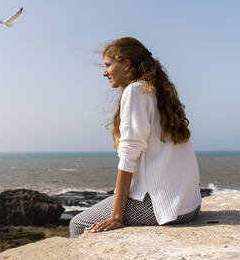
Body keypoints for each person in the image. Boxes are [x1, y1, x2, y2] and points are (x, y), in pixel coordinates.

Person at [69, 37, 201, 238]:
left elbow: (128, 156)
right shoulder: (157, 90)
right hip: (189, 205)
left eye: (108, 65)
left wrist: (116, 216)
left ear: (126, 64)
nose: (104, 72)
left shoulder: (135, 90)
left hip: (166, 208)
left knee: (78, 224)